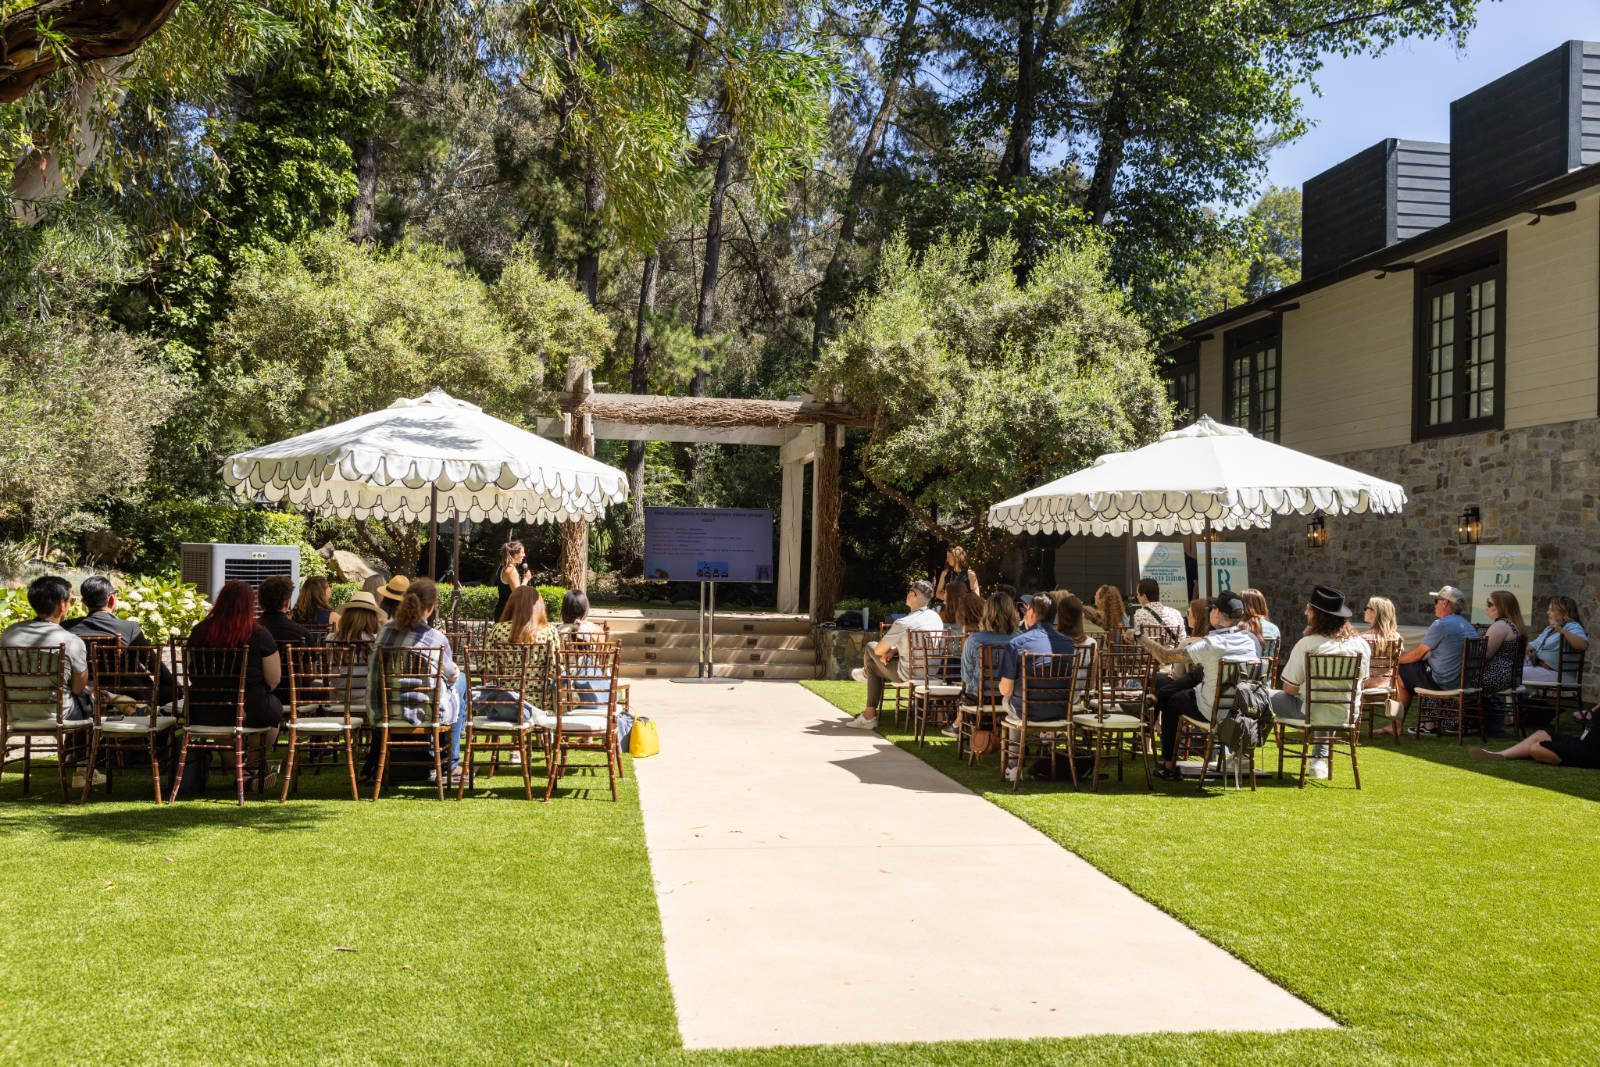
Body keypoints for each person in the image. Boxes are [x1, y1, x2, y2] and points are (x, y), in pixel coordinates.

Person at [1140, 591, 1261, 781]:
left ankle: (1168, 765)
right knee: (1198, 676)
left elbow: (1165, 656)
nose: (1210, 612)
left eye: (1212, 609)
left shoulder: (1211, 644)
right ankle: (1157, 698)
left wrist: (1141, 638)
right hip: (1241, 708)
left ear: (1218, 614)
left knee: (1170, 702)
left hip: (1211, 709)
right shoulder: (1250, 641)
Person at [187, 580, 287, 789]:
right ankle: (250, 769)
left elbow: (190, 671)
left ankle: (239, 769)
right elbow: (274, 678)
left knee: (228, 716)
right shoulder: (259, 633)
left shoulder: (198, 632)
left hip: (204, 708)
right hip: (249, 707)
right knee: (273, 709)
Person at [368, 577, 469, 783]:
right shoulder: (436, 638)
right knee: (462, 680)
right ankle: (451, 762)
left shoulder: (384, 632)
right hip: (426, 712)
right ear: (430, 608)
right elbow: (452, 675)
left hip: (385, 710)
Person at [1268, 586, 1370, 780]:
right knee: (1322, 701)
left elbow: (1289, 688)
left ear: (1317, 615)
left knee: (1258, 695)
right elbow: (1362, 683)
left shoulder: (1308, 644)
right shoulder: (1361, 645)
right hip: (1345, 714)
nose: (1305, 612)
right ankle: (1318, 760)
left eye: (1309, 608)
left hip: (1309, 713)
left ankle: (1243, 756)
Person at [1380, 584, 1479, 738]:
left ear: (1445, 603)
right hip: (1464, 681)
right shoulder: (1468, 626)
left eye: (1436, 601)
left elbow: (1417, 655)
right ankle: (1428, 723)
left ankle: (1396, 725)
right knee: (1412, 669)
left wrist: (1393, 660)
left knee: (1398, 672)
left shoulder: (1441, 625)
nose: (1434, 606)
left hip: (1443, 681)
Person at [849, 579, 945, 729]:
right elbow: (920, 645)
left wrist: (887, 650)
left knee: (870, 648)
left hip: (908, 674)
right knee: (874, 663)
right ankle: (868, 712)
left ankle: (866, 679)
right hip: (932, 672)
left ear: (912, 595)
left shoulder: (904, 622)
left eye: (909, 592)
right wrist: (894, 649)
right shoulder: (935, 617)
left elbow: (879, 650)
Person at [69, 575, 175, 705]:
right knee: (172, 689)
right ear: (112, 599)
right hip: (131, 695)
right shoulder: (129, 628)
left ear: (84, 602)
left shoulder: (68, 628)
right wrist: (172, 684)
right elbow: (155, 666)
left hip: (85, 695)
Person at [2, 574, 92, 723]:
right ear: (61, 605)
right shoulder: (71, 641)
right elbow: (78, 688)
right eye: (70, 600)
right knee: (89, 700)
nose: (70, 605)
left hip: (14, 713)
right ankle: (80, 747)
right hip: (58, 716)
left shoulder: (8, 633)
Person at [1471, 711, 1600, 769]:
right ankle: (1500, 755)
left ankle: (1564, 758)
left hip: (1590, 754)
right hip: (1583, 742)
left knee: (1535, 748)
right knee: (1540, 734)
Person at [958, 591, 1019, 699]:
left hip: (980, 697)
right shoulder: (1021, 641)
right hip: (1012, 698)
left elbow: (966, 676)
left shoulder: (974, 640)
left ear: (986, 613)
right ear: (1012, 612)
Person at [1524, 596, 1589, 684]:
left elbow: (1583, 645)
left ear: (1564, 612)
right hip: (1542, 668)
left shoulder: (1572, 626)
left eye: (1552, 610)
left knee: (1515, 673)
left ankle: (1524, 695)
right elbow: (1532, 645)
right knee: (1512, 667)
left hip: (1561, 675)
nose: (1548, 612)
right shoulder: (1549, 629)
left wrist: (1562, 631)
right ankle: (1525, 695)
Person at [1480, 590, 1526, 698]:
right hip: (1510, 677)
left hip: (1497, 676)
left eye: (1490, 604)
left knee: (1451, 678)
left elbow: (1484, 655)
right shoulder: (1512, 625)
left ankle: (1449, 712)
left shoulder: (1500, 625)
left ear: (1502, 607)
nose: (1486, 607)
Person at [1129, 578, 1186, 643]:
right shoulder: (1176, 613)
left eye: (1137, 594)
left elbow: (1138, 639)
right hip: (1172, 652)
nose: (1137, 597)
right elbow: (1182, 638)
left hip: (1148, 652)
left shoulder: (1139, 614)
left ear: (1144, 596)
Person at [933, 545, 981, 610]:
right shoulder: (945, 573)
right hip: (949, 608)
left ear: (956, 557)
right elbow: (938, 593)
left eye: (949, 557)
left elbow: (976, 595)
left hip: (965, 608)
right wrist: (947, 597)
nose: (947, 560)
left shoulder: (970, 574)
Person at [495, 540, 530, 624]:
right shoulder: (511, 570)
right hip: (508, 613)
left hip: (503, 610)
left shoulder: (503, 567)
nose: (524, 555)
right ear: (515, 555)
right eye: (522, 552)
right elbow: (518, 594)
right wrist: (526, 579)